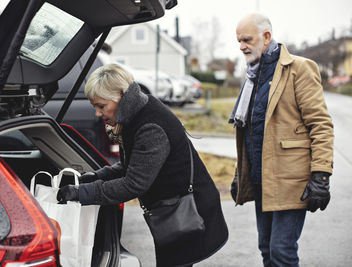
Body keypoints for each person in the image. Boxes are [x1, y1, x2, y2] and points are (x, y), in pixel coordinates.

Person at [57, 63, 228, 266]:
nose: (97, 114)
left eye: (101, 106)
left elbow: (133, 184)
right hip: (173, 209)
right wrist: (98, 176)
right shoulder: (137, 111)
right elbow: (132, 164)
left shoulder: (150, 127)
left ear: (120, 96)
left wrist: (81, 194)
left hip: (189, 212)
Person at [229, 12, 334, 267]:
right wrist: (238, 174)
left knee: (282, 251)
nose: (241, 46)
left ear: (266, 37)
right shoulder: (252, 76)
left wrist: (321, 175)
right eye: (239, 41)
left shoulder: (299, 68)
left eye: (246, 40)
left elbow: (321, 125)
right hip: (261, 179)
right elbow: (250, 131)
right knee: (266, 248)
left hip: (291, 179)